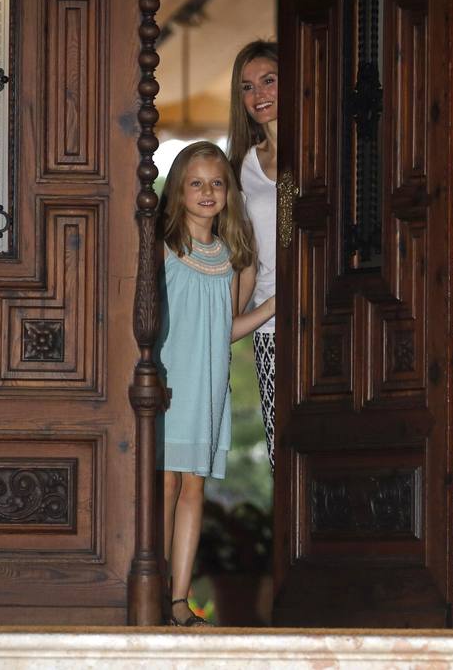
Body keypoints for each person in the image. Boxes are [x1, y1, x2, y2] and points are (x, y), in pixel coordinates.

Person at [158, 140, 275, 627]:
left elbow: (226, 326)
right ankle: (154, 590)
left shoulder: (230, 256)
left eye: (217, 183)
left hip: (207, 384)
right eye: (196, 183)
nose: (207, 191)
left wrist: (272, 306)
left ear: (228, 192)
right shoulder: (161, 247)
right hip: (168, 381)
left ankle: (179, 601)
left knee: (193, 490)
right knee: (163, 486)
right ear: (179, 192)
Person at [226, 40, 279, 470]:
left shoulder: (324, 152)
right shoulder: (244, 166)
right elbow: (248, 259)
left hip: (328, 320)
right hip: (271, 330)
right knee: (283, 453)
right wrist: (227, 318)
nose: (258, 94)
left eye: (268, 81)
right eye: (247, 87)